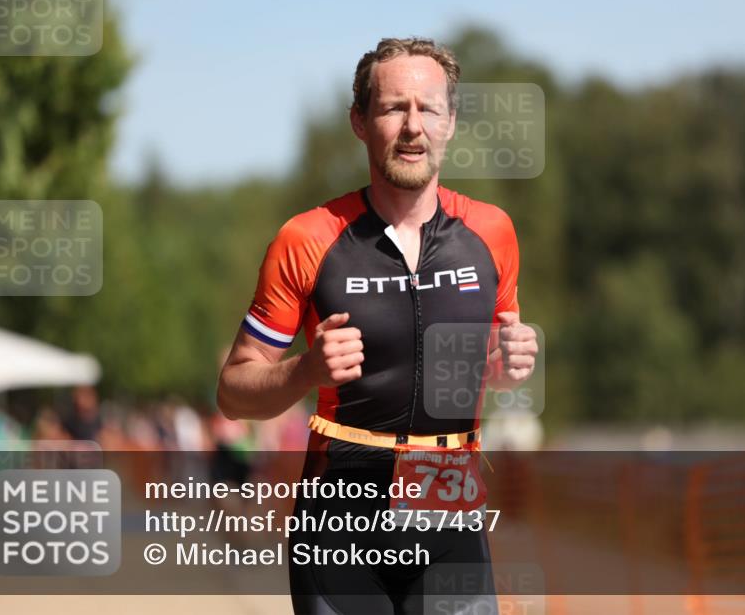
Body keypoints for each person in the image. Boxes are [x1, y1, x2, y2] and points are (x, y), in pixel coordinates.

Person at [217, 37, 539, 614]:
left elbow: (494, 372)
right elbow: (234, 392)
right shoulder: (308, 239)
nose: (413, 126)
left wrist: (507, 368)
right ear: (360, 122)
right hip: (338, 528)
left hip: (450, 523)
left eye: (429, 109)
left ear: (451, 123)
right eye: (393, 108)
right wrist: (305, 370)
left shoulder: (493, 234)